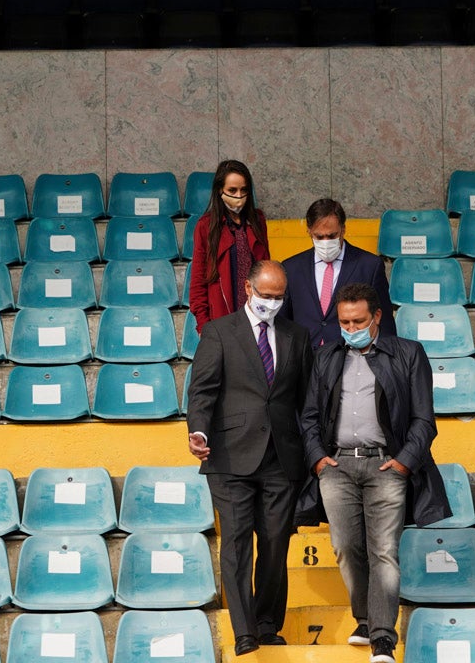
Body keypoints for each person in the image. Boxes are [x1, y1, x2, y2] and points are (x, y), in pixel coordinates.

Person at [297, 282, 451, 663]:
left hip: (386, 465)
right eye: (344, 322)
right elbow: (309, 417)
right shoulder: (326, 356)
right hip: (336, 466)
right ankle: (366, 619)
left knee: (384, 550)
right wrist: (318, 458)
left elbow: (423, 419)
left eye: (358, 320)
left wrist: (403, 463)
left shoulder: (408, 354)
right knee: (346, 548)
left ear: (377, 317)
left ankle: (383, 638)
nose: (350, 328)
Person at [187, 260, 313, 656]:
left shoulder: (298, 335)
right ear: (247, 288)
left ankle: (266, 622)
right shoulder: (219, 331)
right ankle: (244, 630)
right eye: (266, 295)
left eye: (278, 298)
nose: (271, 304)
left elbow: (306, 399)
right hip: (228, 455)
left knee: (275, 542)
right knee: (237, 542)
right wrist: (198, 431)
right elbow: (202, 390)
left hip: (282, 456)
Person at [280, 198, 394, 348]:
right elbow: (283, 322)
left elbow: (384, 321)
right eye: (319, 237)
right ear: (309, 231)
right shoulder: (291, 267)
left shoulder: (369, 265)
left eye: (332, 236)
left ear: (343, 229)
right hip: (305, 358)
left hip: (350, 356)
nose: (326, 242)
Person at [189, 159, 269, 333]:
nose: (239, 196)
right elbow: (197, 283)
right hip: (222, 321)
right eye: (232, 190)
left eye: (244, 190)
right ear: (220, 190)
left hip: (256, 318)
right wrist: (204, 327)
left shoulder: (258, 220)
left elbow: (266, 268)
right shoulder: (206, 226)